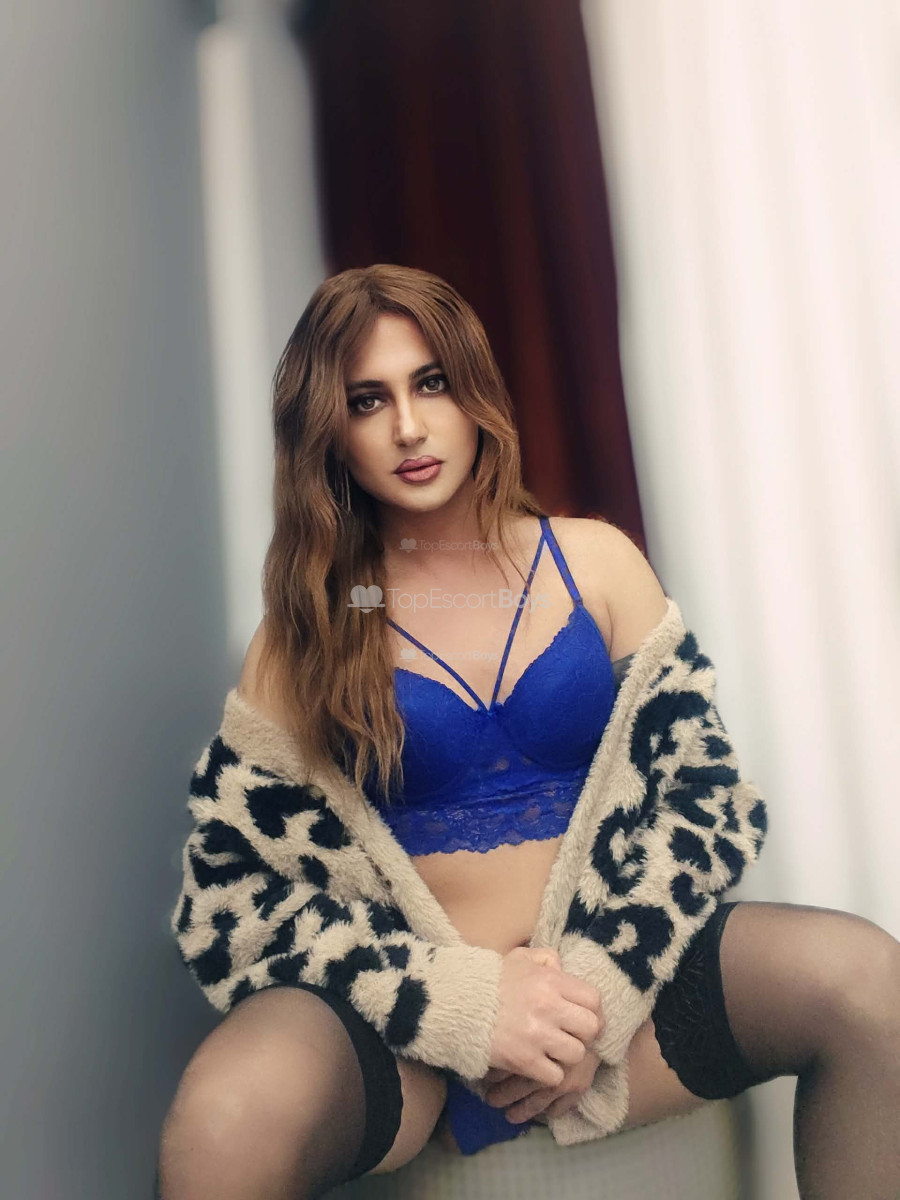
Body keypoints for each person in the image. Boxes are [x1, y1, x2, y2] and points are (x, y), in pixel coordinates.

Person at [156, 265, 900, 1199]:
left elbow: (702, 800)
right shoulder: (320, 622)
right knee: (221, 1123)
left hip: (620, 991)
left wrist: (590, 999)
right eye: (367, 400)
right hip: (417, 1041)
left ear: (474, 390)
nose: (409, 427)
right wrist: (463, 1008)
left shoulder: (594, 562)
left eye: (431, 383)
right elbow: (230, 895)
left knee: (866, 980)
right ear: (330, 432)